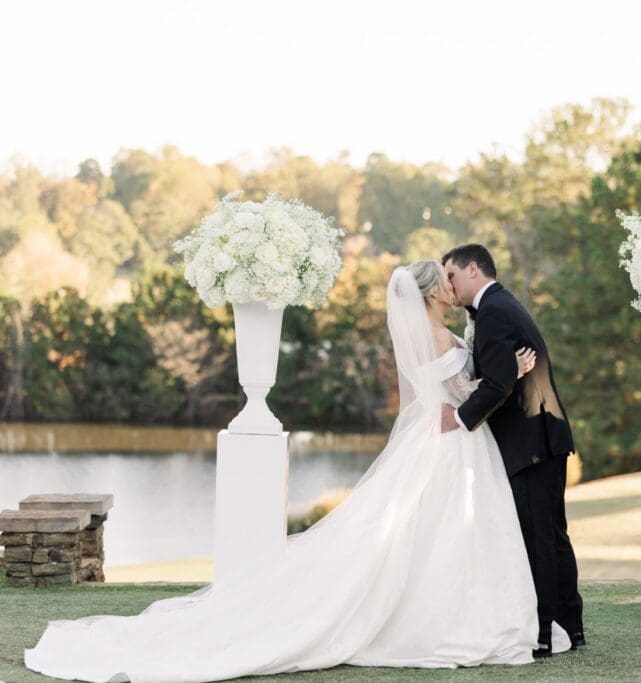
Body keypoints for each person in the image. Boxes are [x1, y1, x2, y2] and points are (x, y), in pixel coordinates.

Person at [25, 261, 545, 682]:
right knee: (442, 536)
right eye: (447, 282)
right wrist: (512, 373)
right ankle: (444, 620)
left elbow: (433, 401)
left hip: (442, 444)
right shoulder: (436, 339)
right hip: (451, 447)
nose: (455, 289)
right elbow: (465, 400)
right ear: (434, 294)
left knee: (433, 537)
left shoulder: (429, 337)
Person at [440, 243, 585, 658]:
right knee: (552, 536)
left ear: (472, 269)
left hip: (530, 442)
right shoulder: (498, 306)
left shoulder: (495, 311)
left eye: (451, 275)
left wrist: (461, 418)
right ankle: (567, 625)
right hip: (540, 438)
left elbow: (500, 382)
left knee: (541, 538)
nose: (448, 285)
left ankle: (545, 630)